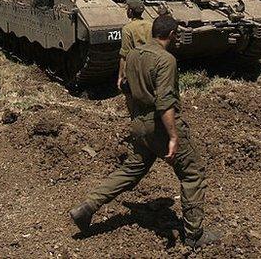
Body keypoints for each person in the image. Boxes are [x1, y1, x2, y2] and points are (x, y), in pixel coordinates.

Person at [69, 14, 218, 249]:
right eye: (176, 35)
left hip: (139, 124)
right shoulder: (165, 60)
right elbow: (165, 103)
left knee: (132, 169)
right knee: (193, 174)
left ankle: (87, 207)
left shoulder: (134, 54)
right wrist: (173, 136)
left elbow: (125, 85)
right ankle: (194, 235)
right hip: (159, 124)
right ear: (171, 35)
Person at [117, 0, 151, 89]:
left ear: (130, 12)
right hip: (150, 65)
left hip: (135, 68)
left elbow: (125, 55)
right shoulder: (150, 25)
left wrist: (121, 76)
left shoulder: (127, 29)